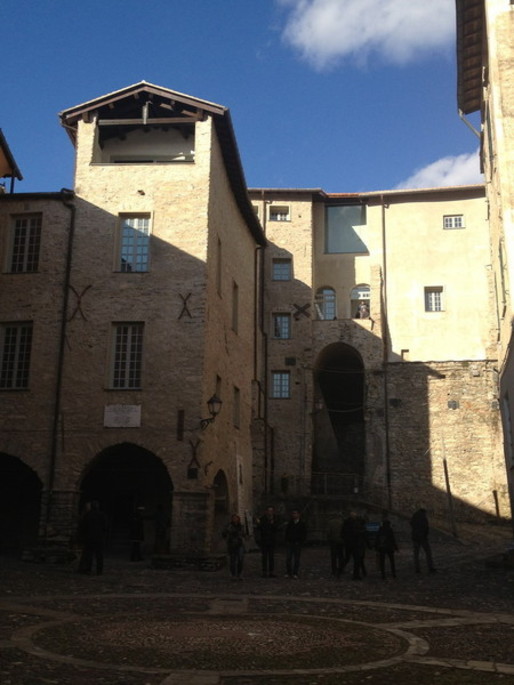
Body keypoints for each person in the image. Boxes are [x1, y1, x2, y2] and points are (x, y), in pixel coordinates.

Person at [77, 500, 107, 575]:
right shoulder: (102, 515)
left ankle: (88, 569)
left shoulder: (88, 515)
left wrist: (83, 535)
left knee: (89, 554)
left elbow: (83, 527)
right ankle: (99, 570)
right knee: (99, 555)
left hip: (89, 537)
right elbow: (105, 527)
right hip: (99, 538)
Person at [342, 511, 369, 580]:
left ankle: (340, 571)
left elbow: (343, 533)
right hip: (355, 544)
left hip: (349, 543)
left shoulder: (346, 523)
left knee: (349, 558)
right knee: (358, 559)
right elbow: (358, 534)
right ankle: (357, 574)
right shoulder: (355, 525)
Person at [410, 507, 436, 573]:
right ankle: (430, 567)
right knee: (428, 553)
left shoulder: (414, 516)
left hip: (415, 537)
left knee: (416, 554)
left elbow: (411, 524)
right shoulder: (423, 518)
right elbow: (426, 527)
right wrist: (425, 535)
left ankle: (417, 569)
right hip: (423, 538)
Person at [256, 506, 279, 577]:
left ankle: (271, 571)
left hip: (272, 540)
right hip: (264, 540)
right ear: (266, 511)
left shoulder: (275, 518)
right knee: (264, 557)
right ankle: (264, 571)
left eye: (271, 511)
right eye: (269, 511)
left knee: (271, 557)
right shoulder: (262, 519)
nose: (270, 512)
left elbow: (277, 528)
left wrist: (273, 523)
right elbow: (260, 528)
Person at [284, 509, 307, 578]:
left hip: (297, 543)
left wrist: (301, 541)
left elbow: (304, 533)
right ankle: (289, 572)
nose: (294, 515)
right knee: (288, 558)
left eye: (295, 513)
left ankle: (295, 573)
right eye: (293, 513)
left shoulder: (302, 524)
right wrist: (287, 540)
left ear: (299, 514)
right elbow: (287, 532)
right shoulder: (290, 523)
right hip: (290, 542)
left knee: (296, 559)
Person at [222, 513, 246, 580]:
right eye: (234, 518)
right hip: (232, 544)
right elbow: (224, 534)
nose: (235, 520)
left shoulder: (241, 526)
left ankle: (239, 574)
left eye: (236, 518)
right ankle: (233, 574)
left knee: (240, 560)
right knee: (233, 560)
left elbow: (244, 534)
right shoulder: (229, 526)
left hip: (239, 544)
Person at [326, 511, 345, 578]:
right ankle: (341, 569)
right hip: (340, 541)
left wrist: (329, 538)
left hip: (333, 541)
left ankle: (334, 570)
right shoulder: (342, 522)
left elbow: (328, 532)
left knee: (333, 556)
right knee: (341, 556)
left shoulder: (330, 522)